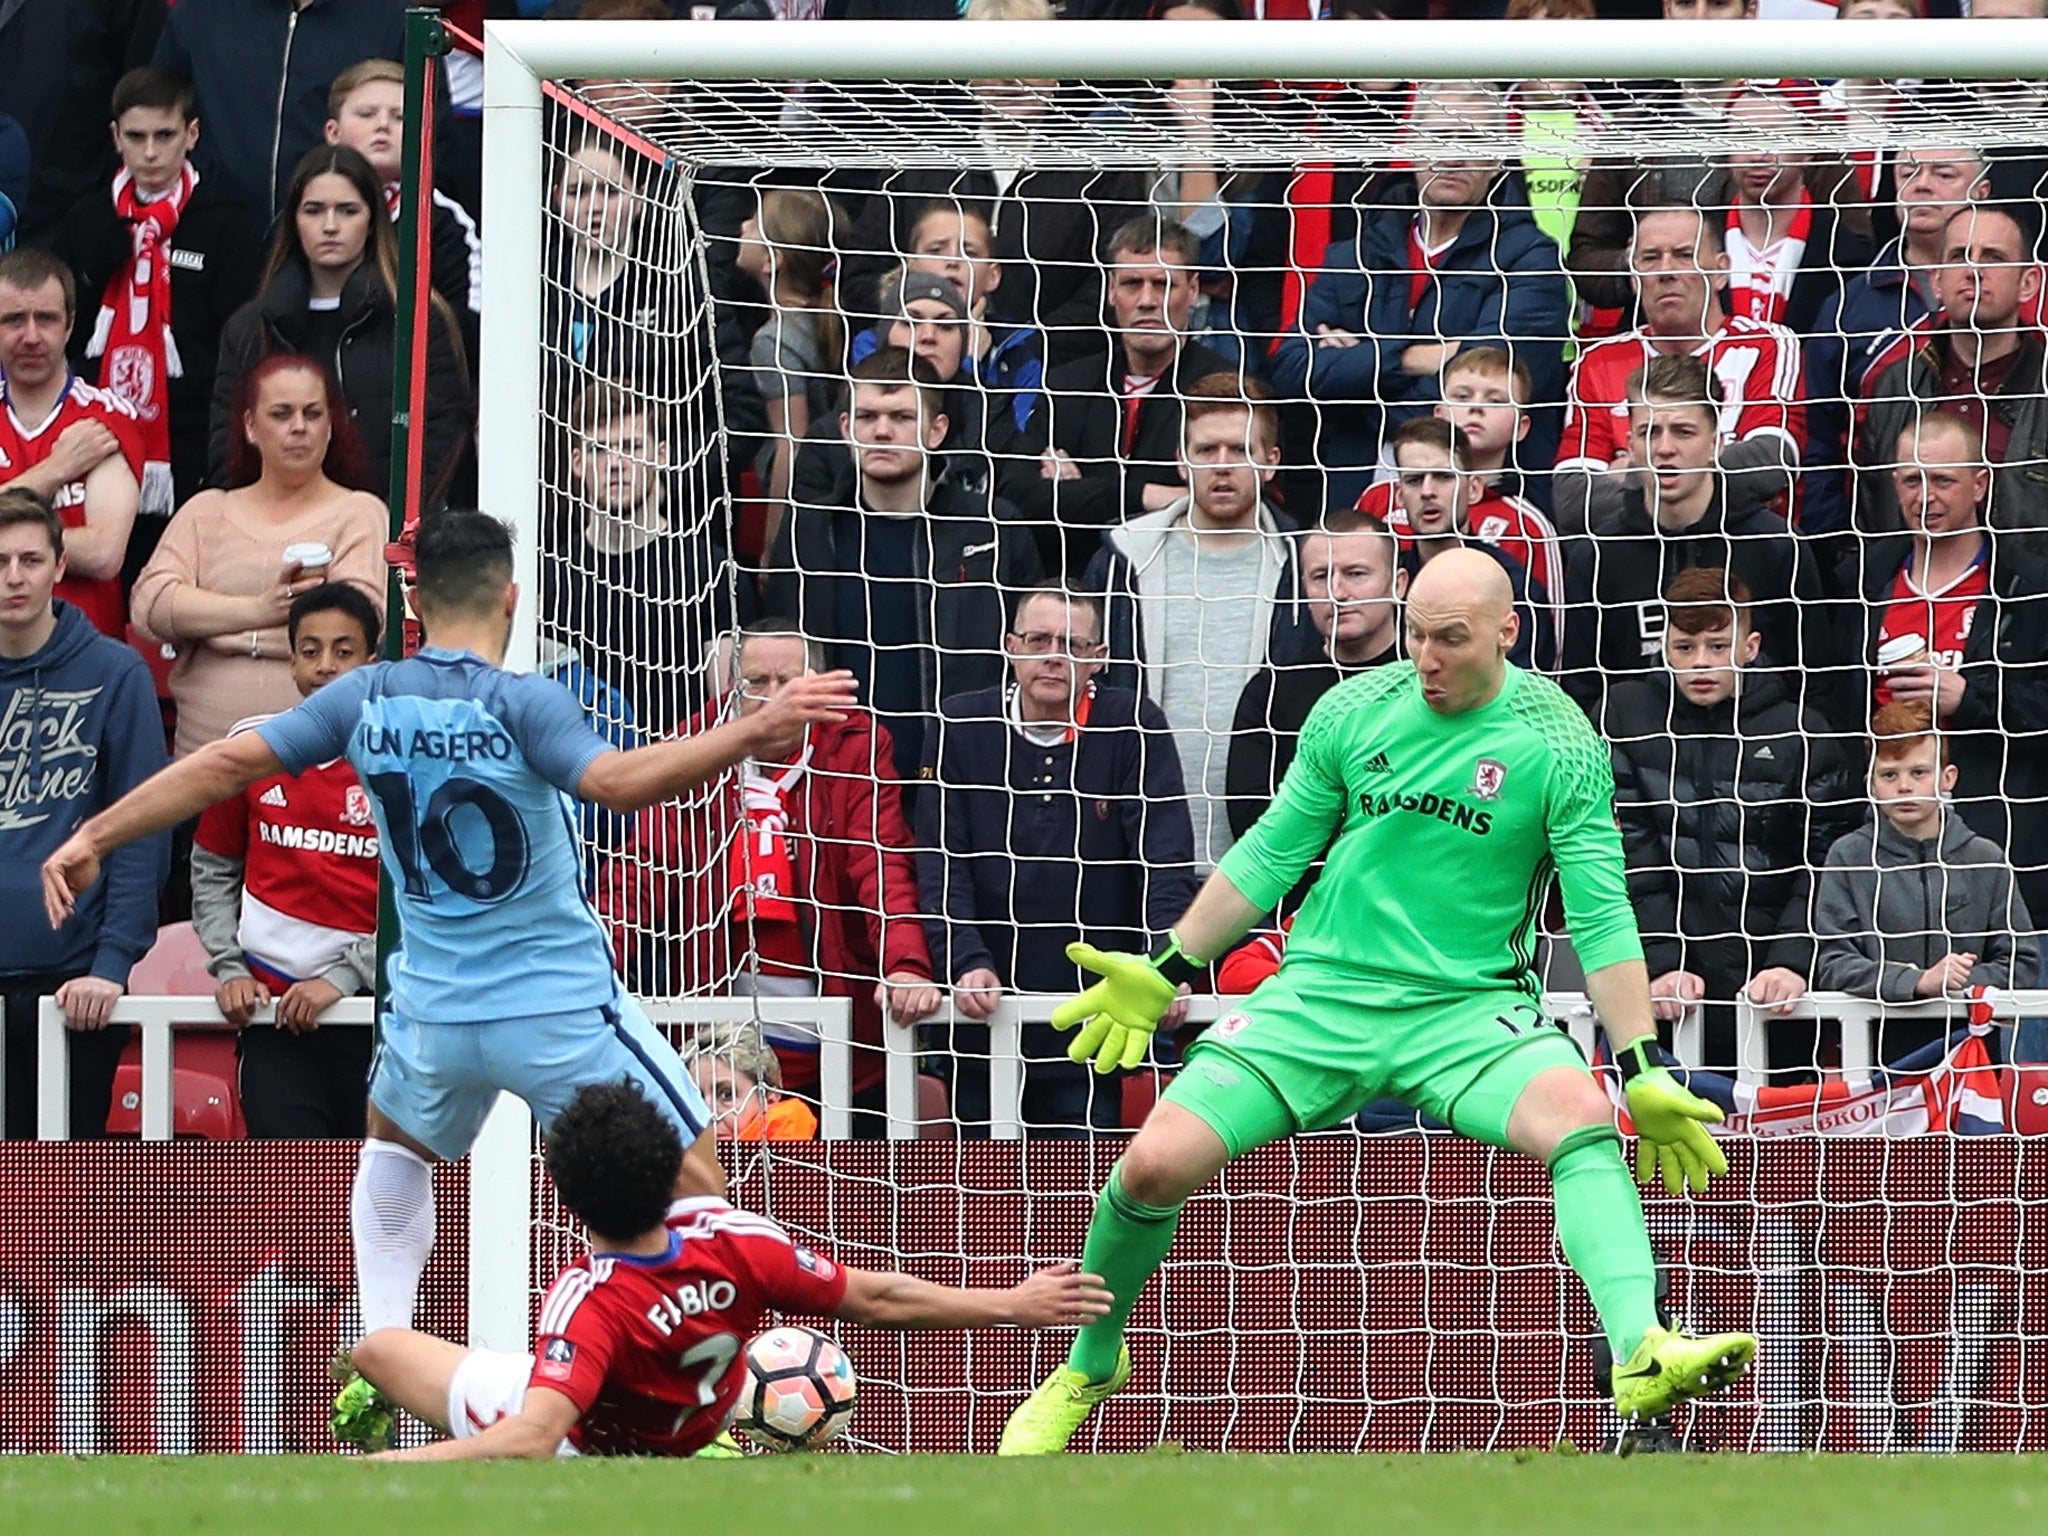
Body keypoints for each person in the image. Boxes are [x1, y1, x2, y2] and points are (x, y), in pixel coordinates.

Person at [995, 548, 1755, 1456]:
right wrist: (1168, 963)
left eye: (1452, 640)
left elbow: (1600, 915)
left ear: (1508, 634)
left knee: (1584, 1121)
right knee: (1154, 1167)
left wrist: (1640, 1068)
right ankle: (1091, 1361)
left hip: (1468, 1011)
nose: (1425, 657)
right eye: (1418, 633)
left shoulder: (1560, 744)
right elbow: (1272, 853)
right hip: (1321, 995)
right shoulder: (1354, 709)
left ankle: (1640, 1350)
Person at [40, 509, 859, 1338]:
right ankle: (723, 1379)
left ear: (414, 606)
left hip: (433, 1007)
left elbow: (221, 763)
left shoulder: (366, 694)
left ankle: (382, 1354)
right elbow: (614, 783)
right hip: (555, 1005)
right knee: (695, 1174)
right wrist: (752, 728)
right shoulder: (524, 700)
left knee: (394, 1155)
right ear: (509, 598)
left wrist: (92, 837)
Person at [333, 1079, 1111, 1459]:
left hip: (582, 1441)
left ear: (569, 1202)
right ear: (667, 1172)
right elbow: (873, 1297)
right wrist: (1011, 1303)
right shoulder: (731, 1236)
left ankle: (377, 1410)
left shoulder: (587, 1300)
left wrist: (389, 1470)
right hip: (688, 1424)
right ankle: (711, 1440)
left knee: (376, 1350)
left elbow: (535, 1436)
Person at [602, 617, 939, 1132]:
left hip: (845, 1048)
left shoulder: (856, 743)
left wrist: (905, 962)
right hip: (722, 1054)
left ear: (821, 685)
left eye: (790, 681)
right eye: (756, 682)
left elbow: (880, 859)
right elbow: (640, 870)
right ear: (728, 689)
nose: (775, 696)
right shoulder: (692, 745)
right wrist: (590, 959)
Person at [917, 584, 1199, 1134]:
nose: (1053, 655)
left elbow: (1164, 858)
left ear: (1099, 657)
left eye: (1072, 643)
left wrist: (1168, 964)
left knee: (1084, 1190)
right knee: (985, 1194)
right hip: (983, 1012)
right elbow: (941, 860)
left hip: (1100, 1017)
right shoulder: (960, 722)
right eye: (1039, 639)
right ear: (1010, 646)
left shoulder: (1134, 723)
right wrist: (965, 958)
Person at [1603, 568, 1858, 1077]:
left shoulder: (1802, 730)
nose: (1701, 662)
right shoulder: (1624, 717)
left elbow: (1827, 860)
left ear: (1750, 645)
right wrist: (1660, 962)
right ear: (1664, 646)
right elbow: (1629, 853)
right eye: (1685, 647)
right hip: (1662, 992)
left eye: (1718, 646)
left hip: (1779, 994)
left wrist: (1791, 959)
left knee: (1782, 1141)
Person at [1269, 81, 1571, 510]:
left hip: (1483, 501)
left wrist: (1357, 381)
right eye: (1439, 137)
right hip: (1350, 499)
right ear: (1410, 143)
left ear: (1498, 159)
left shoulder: (1531, 258)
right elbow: (1289, 367)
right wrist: (1425, 357)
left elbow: (1503, 377)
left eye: (1471, 139)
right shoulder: (1355, 252)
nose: (1452, 155)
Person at [765, 349, 1042, 785]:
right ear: (845, 428)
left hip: (969, 778)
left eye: (900, 417)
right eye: (867, 416)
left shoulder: (993, 529)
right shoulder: (810, 531)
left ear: (936, 430)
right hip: (839, 784)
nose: (881, 431)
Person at [1084, 374, 1318, 871]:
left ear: (1271, 462)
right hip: (1137, 843)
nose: (1222, 465)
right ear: (1181, 459)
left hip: (1269, 848)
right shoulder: (1123, 560)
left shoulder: (1307, 566)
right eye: (1206, 449)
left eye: (1240, 449)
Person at [0, 486, 168, 1138]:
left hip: (75, 991)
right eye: (0, 561)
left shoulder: (115, 673)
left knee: (62, 1216)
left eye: (30, 560)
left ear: (59, 566)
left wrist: (111, 966)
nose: (14, 577)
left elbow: (141, 831)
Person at [190, 583, 382, 1138]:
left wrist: (345, 978)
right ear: (291, 661)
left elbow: (425, 895)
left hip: (378, 1016)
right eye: (310, 650)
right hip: (274, 1020)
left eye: (344, 652)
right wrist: (228, 967)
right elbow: (212, 869)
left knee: (380, 1198)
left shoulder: (404, 763)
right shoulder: (250, 749)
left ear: (372, 662)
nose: (325, 666)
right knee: (292, 1201)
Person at [1749, 701, 2040, 1067]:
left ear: (1948, 778)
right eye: (1889, 775)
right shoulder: (1848, 856)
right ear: (1870, 782)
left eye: (1919, 772)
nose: (1905, 786)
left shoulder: (1985, 856)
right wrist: (1915, 982)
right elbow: (1832, 962)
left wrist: (1958, 982)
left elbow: (2022, 960)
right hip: (1874, 1057)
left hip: (1973, 1052)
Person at [132, 353, 387, 758]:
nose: (299, 427)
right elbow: (151, 606)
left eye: (313, 413)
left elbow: (359, 624)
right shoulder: (206, 511)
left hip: (313, 764)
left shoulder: (360, 513)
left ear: (331, 425)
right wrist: (260, 610)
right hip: (203, 761)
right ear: (250, 426)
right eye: (281, 414)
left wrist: (208, 628)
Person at [46, 66, 262, 534]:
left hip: (193, 436)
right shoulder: (87, 217)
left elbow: (242, 341)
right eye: (136, 136)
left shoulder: (228, 220)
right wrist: (89, 273)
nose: (149, 153)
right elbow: (54, 328)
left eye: (164, 135)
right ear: (115, 137)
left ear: (192, 134)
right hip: (94, 432)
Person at [1560, 355, 1836, 718]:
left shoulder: (1776, 545)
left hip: (1758, 761)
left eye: (1683, 432)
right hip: (1635, 766)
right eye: (1649, 432)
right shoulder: (1596, 556)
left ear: (1715, 444)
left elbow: (1818, 686)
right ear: (1629, 445)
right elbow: (1582, 696)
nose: (1664, 448)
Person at [1856, 411, 2048, 920]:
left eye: (1943, 479)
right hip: (1888, 855)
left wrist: (1969, 699)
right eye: (1911, 480)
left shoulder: (2027, 585)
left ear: (1980, 483)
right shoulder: (1863, 581)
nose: (1925, 498)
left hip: (2005, 850)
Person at [210, 145, 469, 506]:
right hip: (278, 535)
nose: (330, 226)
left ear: (372, 219)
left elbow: (444, 433)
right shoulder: (250, 327)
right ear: (293, 220)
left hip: (391, 536)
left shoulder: (419, 318)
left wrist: (391, 522)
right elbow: (229, 443)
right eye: (314, 211)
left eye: (347, 211)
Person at [1552, 203, 1804, 536]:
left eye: (1684, 255)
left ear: (1720, 271)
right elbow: (1572, 500)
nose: (1666, 271)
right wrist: (1709, 465)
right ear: (1633, 275)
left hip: (1745, 547)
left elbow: (1771, 463)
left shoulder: (1767, 345)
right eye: (1651, 258)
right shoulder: (1599, 361)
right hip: (1634, 552)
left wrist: (1632, 471)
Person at [1011, 217, 1231, 575]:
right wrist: (1146, 495)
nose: (1147, 300)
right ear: (1111, 290)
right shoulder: (1065, 386)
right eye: (1132, 284)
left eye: (1162, 285)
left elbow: (1220, 506)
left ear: (1192, 291)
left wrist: (1082, 493)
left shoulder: (1225, 391)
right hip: (1072, 589)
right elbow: (1021, 497)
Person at [1801, 138, 1988, 544]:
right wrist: (1837, 547)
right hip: (1877, 547)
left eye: (1943, 174)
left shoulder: (2027, 296)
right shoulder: (1846, 307)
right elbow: (1820, 444)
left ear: (1982, 192)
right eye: (1908, 173)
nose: (1922, 185)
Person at [542, 380, 743, 734]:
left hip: (682, 773)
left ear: (661, 454)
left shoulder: (708, 569)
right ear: (577, 462)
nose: (616, 463)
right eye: (599, 449)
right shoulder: (551, 575)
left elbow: (728, 706)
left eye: (631, 447)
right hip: (580, 775)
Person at [1854, 203, 2048, 544]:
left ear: (2028, 283)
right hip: (1910, 589)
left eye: (1993, 257)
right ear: (1937, 281)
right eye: (1960, 255)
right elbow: (1871, 519)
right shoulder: (1896, 385)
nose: (1973, 269)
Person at [1225, 507, 1405, 850]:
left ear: (1398, 584)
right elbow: (1252, 822)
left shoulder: (1434, 684)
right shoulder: (1271, 692)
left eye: (1355, 574)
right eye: (1321, 576)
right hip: (1302, 898)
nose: (1337, 593)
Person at [151, 0, 412, 221]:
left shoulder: (391, 18)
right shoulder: (201, 11)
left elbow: (432, 138)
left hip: (340, 239)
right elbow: (156, 113)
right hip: (216, 232)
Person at [0, 246, 144, 637]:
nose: (31, 336)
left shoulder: (107, 418)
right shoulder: (74, 451)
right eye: (14, 320)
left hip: (84, 656)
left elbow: (103, 554)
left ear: (69, 325)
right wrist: (56, 469)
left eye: (45, 319)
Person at [1372, 416, 1557, 670]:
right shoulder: (1387, 587)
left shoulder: (1514, 588)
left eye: (1443, 477)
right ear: (1400, 496)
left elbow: (1529, 689)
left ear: (1474, 489)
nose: (1427, 491)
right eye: (1414, 480)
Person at [321, 60, 482, 340]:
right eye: (366, 114)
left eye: (400, 117)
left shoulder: (444, 220)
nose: (382, 125)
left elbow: (468, 323)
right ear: (333, 132)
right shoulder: (303, 211)